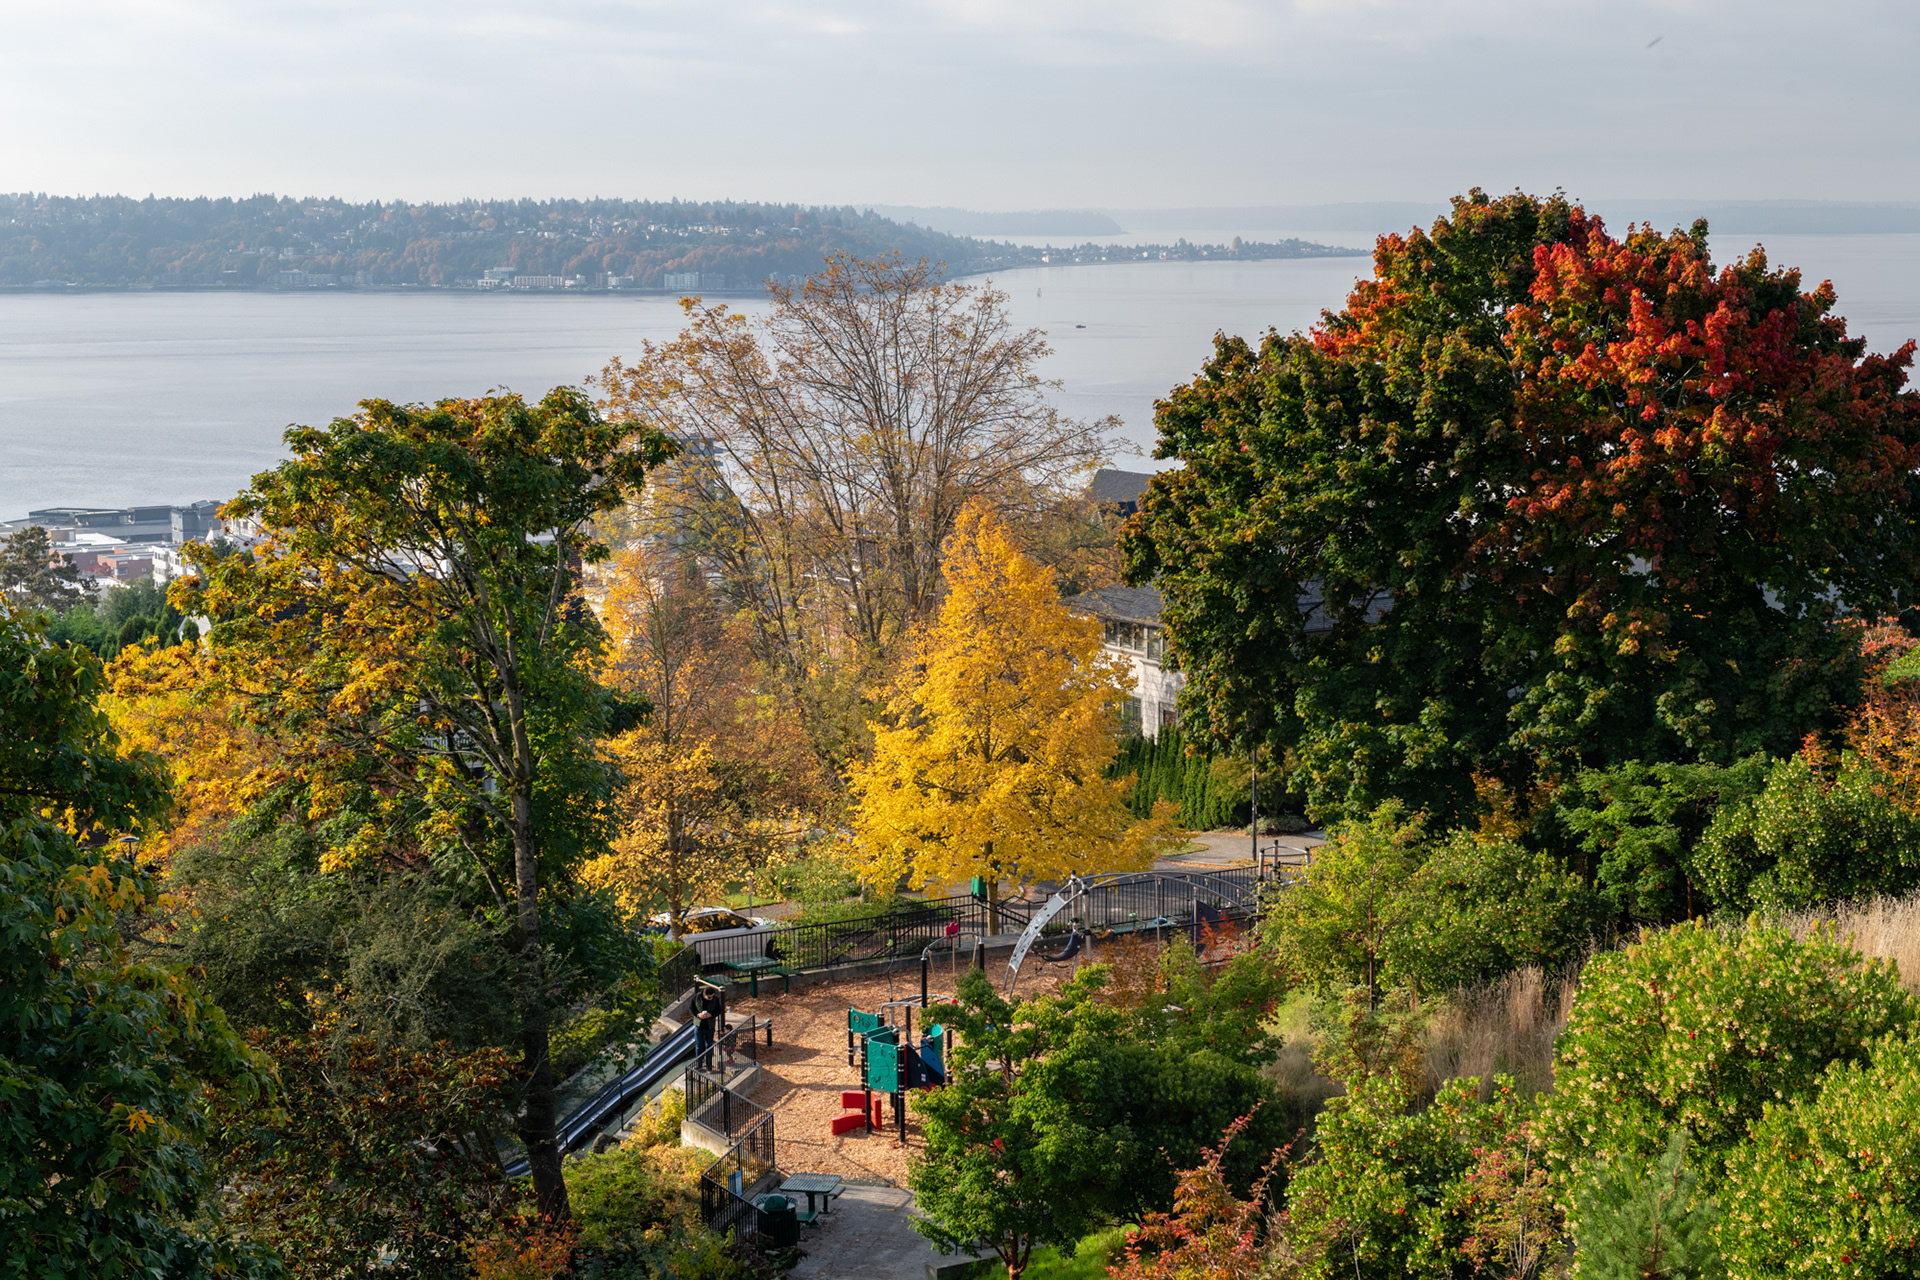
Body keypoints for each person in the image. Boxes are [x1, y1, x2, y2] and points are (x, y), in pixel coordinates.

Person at [692, 980, 725, 1069]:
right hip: (699, 1026)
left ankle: (709, 1064)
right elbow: (691, 1008)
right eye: (709, 997)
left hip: (710, 1026)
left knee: (709, 1045)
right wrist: (698, 1015)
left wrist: (711, 1014)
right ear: (704, 994)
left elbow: (719, 1010)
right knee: (699, 1046)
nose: (711, 998)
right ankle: (699, 1063)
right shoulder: (697, 997)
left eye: (712, 997)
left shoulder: (715, 999)